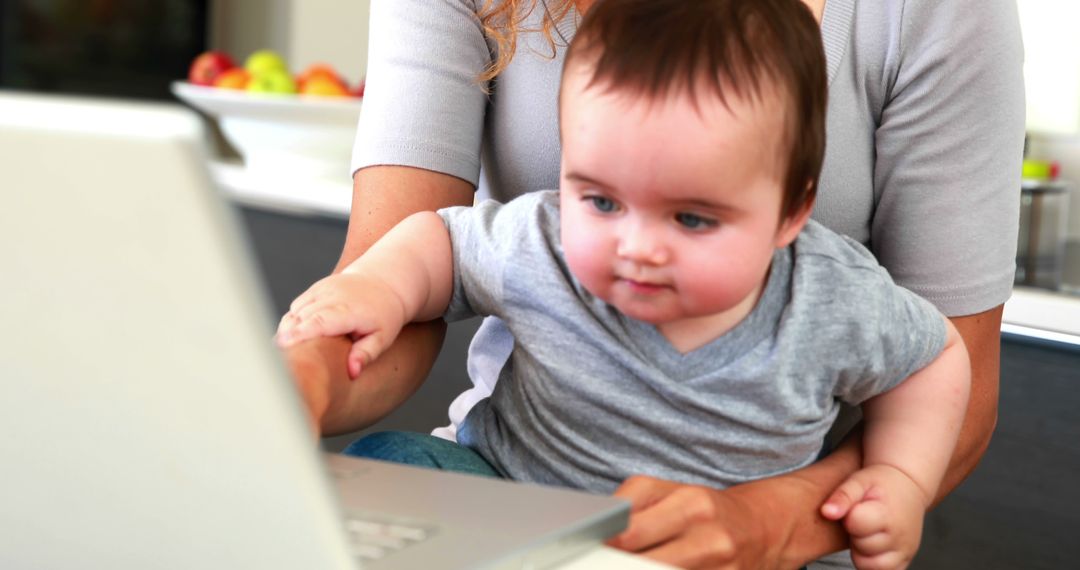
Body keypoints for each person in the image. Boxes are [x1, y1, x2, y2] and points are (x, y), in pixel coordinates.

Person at [281, 0, 1024, 567]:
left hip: (746, 544)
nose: (636, 247)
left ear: (793, 210)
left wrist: (896, 477)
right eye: (600, 201)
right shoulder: (542, 234)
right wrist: (359, 309)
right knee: (395, 468)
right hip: (510, 488)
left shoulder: (833, 295)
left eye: (694, 219)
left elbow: (938, 365)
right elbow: (432, 242)